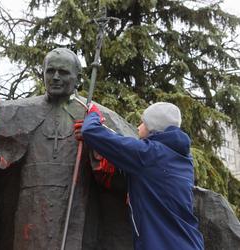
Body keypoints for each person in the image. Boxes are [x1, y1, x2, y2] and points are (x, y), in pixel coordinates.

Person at [0, 41, 136, 250]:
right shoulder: (23, 110)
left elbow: (129, 159)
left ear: (78, 78)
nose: (56, 77)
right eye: (50, 71)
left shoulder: (96, 116)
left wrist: (98, 146)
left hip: (79, 207)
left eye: (63, 72)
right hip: (31, 211)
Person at [78, 102, 205, 250]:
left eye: (143, 123)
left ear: (153, 127)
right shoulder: (182, 159)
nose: (138, 127)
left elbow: (90, 131)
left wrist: (94, 114)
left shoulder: (149, 155)